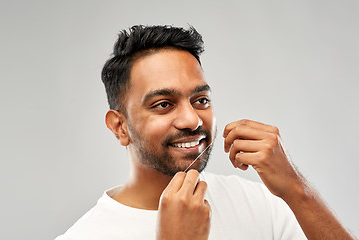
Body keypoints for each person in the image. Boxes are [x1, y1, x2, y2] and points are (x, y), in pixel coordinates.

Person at [56, 25, 355, 240]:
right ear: (120, 127)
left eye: (200, 100)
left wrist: (296, 190)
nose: (191, 119)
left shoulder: (258, 203)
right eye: (163, 104)